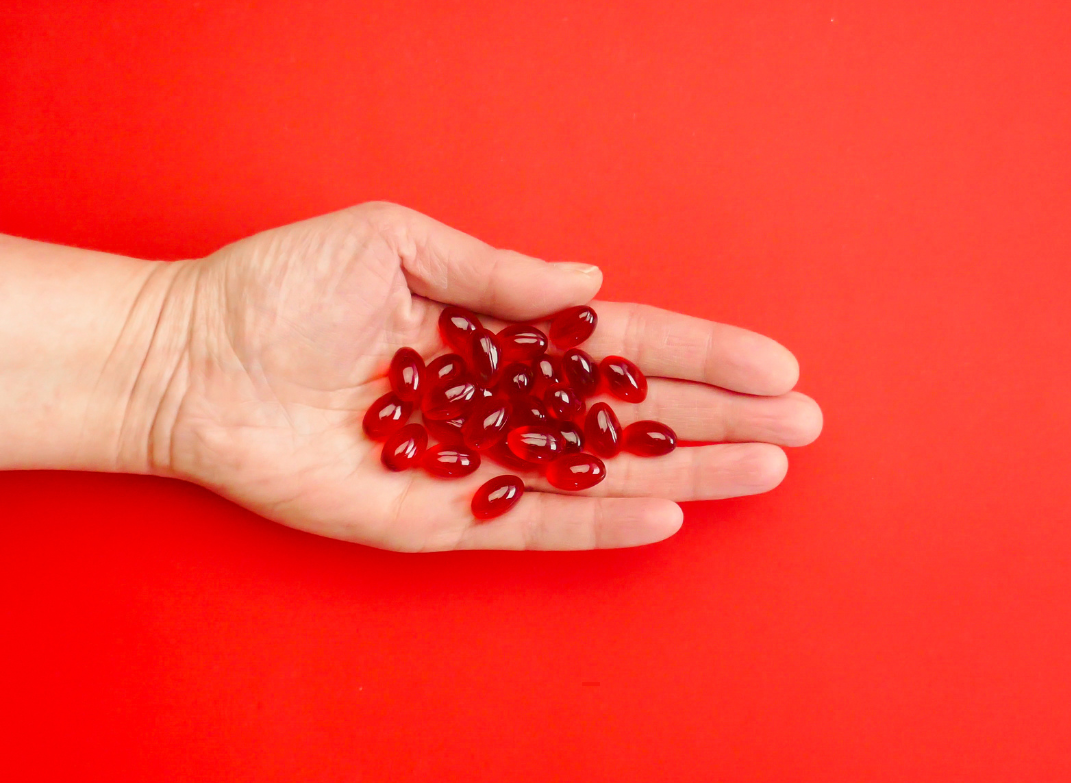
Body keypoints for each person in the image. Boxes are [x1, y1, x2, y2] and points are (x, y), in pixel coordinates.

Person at [0, 203, 822, 550]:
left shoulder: (517, 400)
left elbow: (509, 417)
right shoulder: (458, 404)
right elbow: (476, 424)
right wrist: (176, 339)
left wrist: (166, 345)